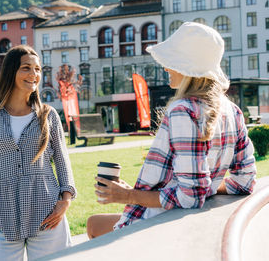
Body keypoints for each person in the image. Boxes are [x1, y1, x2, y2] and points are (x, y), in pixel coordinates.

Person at [87, 22, 257, 239]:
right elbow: (245, 181)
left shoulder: (183, 110)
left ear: (187, 67)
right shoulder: (232, 111)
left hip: (160, 226)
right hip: (183, 221)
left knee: (93, 226)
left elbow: (191, 196)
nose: (165, 68)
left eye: (171, 62)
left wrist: (127, 195)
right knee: (95, 223)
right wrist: (209, 185)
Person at [0, 45, 76, 261]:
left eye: (38, 69)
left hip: (47, 211)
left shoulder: (48, 115)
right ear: (11, 71)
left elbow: (62, 160)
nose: (34, 75)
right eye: (26, 68)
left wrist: (66, 199)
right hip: (1, 212)